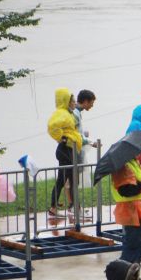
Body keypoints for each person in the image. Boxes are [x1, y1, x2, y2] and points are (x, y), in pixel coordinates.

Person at [46, 88, 84, 216]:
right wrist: (61, 138)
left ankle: (64, 207)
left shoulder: (66, 113)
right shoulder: (62, 113)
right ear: (66, 101)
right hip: (65, 150)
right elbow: (52, 126)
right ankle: (73, 207)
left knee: (65, 180)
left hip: (68, 149)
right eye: (72, 101)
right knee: (68, 179)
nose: (74, 103)